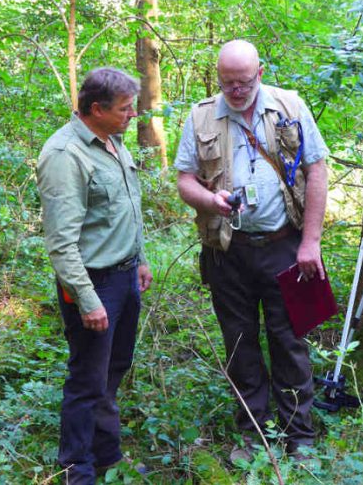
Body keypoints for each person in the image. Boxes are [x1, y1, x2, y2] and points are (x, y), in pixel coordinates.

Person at [175, 40, 329, 460]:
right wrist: (210, 201)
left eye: (243, 82)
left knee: (290, 341)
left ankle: (300, 437)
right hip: (227, 251)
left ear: (259, 72)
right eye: (228, 82)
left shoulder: (290, 106)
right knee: (239, 343)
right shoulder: (201, 114)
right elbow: (185, 179)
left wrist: (311, 242)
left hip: (285, 246)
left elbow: (317, 170)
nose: (236, 90)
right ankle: (253, 436)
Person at [36, 67, 153, 484]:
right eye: (124, 109)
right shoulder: (66, 156)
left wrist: (139, 258)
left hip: (124, 277)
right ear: (97, 109)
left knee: (114, 369)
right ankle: (77, 469)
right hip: (92, 283)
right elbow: (61, 244)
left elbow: (125, 209)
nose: (132, 115)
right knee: (87, 380)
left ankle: (107, 455)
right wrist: (87, 300)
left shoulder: (113, 142)